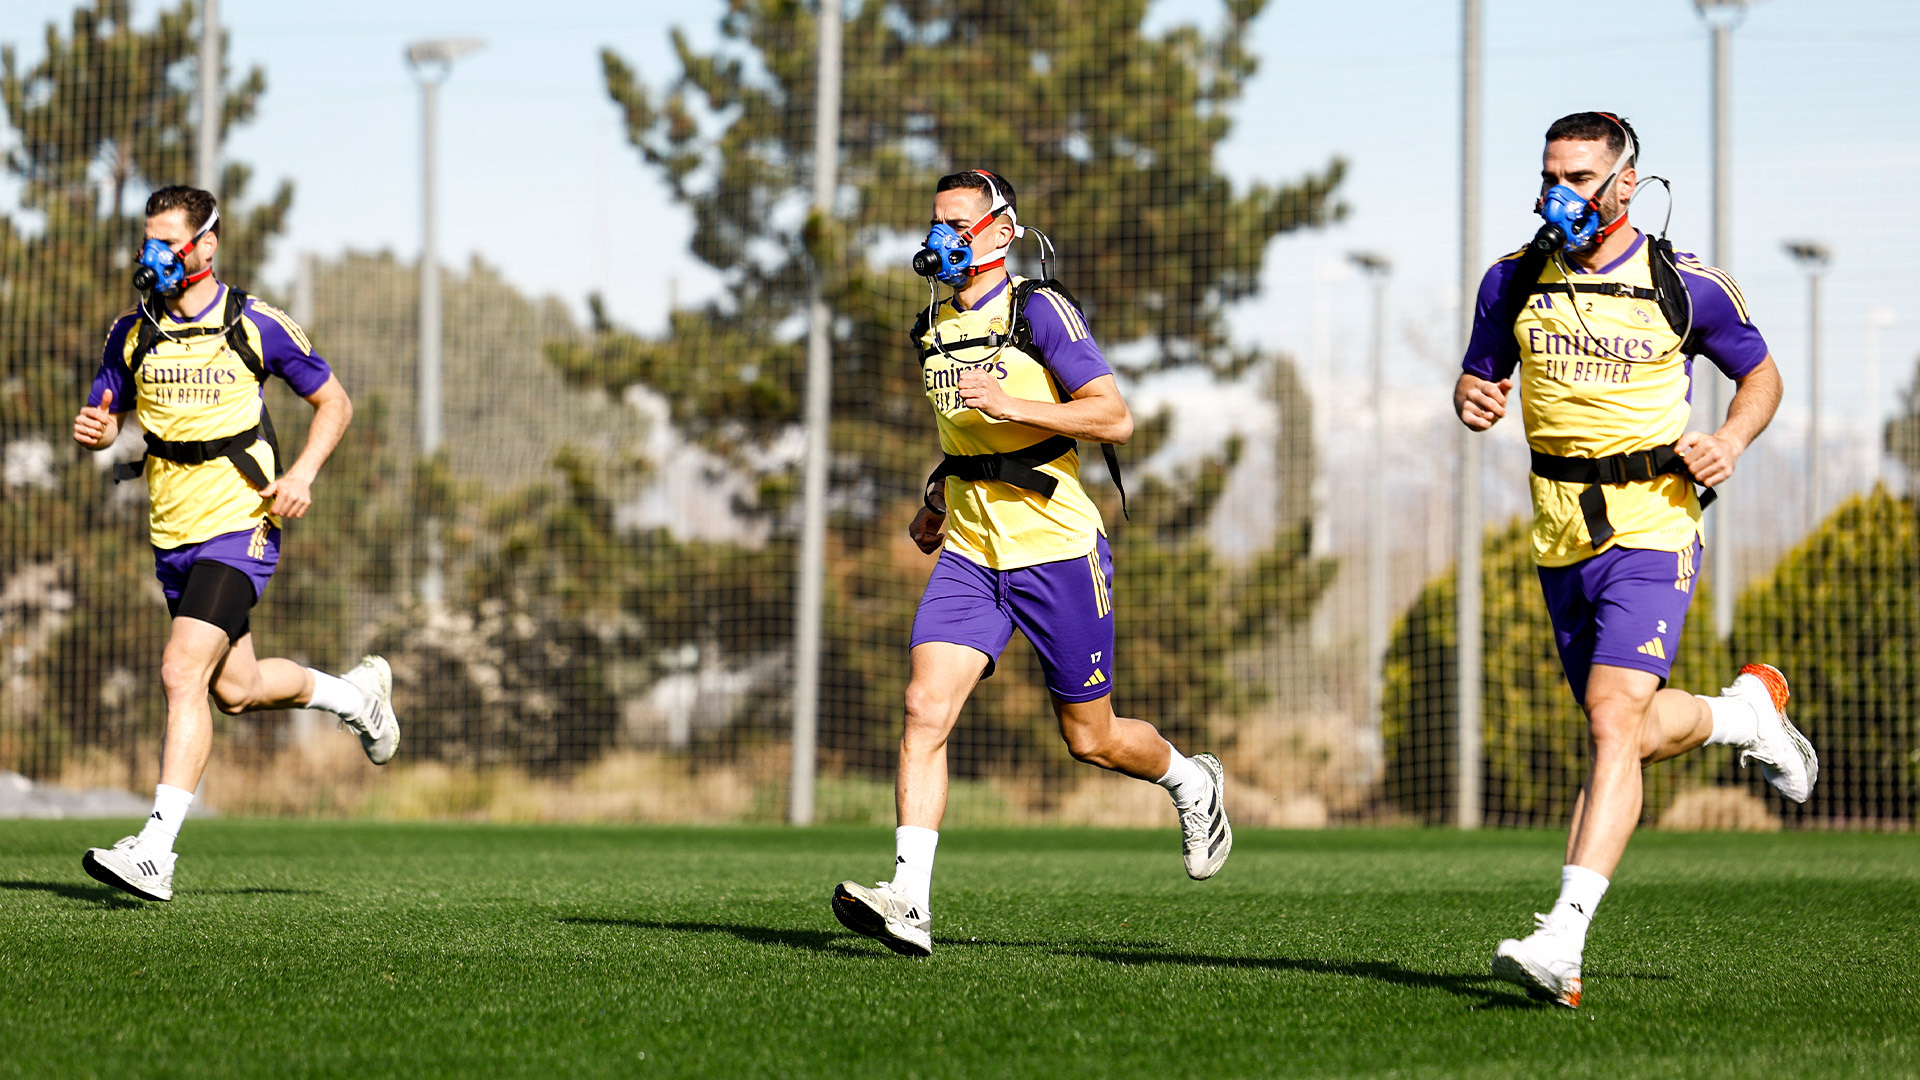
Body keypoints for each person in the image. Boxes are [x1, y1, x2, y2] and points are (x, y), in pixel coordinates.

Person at [1455, 114, 1816, 1007]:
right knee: (1623, 729)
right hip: (1557, 535)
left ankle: (1562, 937)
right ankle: (1742, 717)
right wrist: (1471, 394)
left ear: (1627, 183)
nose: (1558, 193)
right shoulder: (1511, 279)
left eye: (1579, 176)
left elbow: (1761, 376)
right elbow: (1481, 373)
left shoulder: (1683, 284)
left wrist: (1730, 438)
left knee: (1615, 722)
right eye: (1550, 174)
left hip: (1655, 524)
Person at [831, 170, 1231, 958]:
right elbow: (963, 436)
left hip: (1057, 552)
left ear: (1003, 231)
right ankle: (909, 899)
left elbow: (1113, 417)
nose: (942, 237)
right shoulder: (933, 323)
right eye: (935, 222)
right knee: (922, 710)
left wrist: (1017, 405)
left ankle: (1191, 780)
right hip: (971, 557)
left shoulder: (1038, 310)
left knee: (1091, 738)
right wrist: (939, 497)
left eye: (960, 223)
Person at [70, 185, 399, 902]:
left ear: (207, 246)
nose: (153, 255)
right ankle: (358, 698)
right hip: (172, 534)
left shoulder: (257, 324)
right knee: (235, 690)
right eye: (147, 240)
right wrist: (101, 434)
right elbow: (115, 423)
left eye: (169, 242)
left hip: (241, 523)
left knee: (180, 670)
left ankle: (155, 850)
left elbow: (334, 403)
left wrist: (303, 474)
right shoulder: (130, 332)